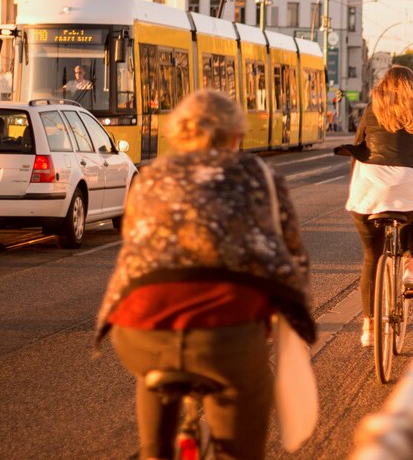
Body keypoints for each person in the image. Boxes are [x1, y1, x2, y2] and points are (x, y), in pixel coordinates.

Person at [95, 90, 315, 460]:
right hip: (225, 333)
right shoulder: (258, 174)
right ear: (235, 136)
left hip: (137, 327)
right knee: (244, 396)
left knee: (154, 370)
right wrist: (293, 307)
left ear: (178, 133)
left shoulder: (150, 176)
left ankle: (154, 452)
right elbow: (293, 251)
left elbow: (133, 240)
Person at [335, 66, 413, 347]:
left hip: (369, 186)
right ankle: (410, 267)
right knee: (412, 211)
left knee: (371, 257)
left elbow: (359, 145)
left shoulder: (372, 108)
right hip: (407, 182)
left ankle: (369, 328)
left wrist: (356, 187)